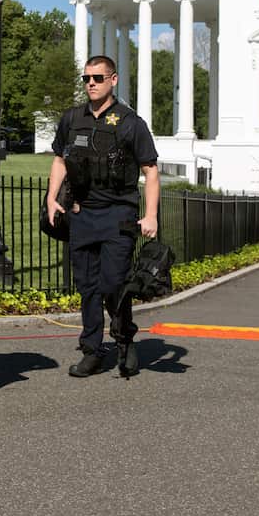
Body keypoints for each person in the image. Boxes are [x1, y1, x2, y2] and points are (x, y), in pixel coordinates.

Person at [45, 55, 159, 378]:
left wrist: (150, 215)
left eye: (97, 77)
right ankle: (92, 351)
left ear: (114, 80)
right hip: (82, 214)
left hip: (118, 215)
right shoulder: (72, 119)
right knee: (88, 288)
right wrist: (52, 199)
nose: (90, 83)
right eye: (86, 78)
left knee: (113, 284)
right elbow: (59, 160)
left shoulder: (129, 122)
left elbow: (150, 171)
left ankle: (124, 340)